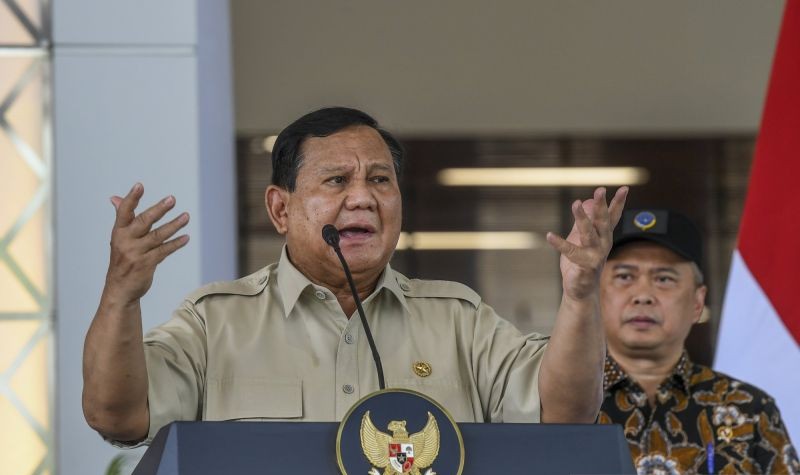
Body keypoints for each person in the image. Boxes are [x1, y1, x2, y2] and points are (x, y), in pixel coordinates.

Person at [83, 106, 628, 446]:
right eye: (337, 180)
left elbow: (564, 415)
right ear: (280, 209)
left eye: (380, 180)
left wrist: (580, 297)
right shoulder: (216, 322)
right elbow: (117, 415)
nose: (363, 198)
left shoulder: (459, 320)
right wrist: (120, 296)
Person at [598, 209, 800, 474]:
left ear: (697, 302)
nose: (643, 295)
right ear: (597, 295)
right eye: (625, 276)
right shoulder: (565, 406)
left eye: (664, 279)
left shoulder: (749, 409)